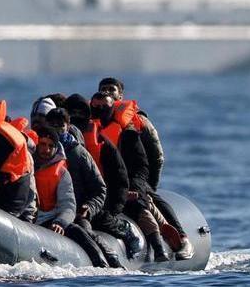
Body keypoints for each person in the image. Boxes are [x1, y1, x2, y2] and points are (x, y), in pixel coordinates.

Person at [98, 77, 193, 260]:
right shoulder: (96, 121)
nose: (108, 93)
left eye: (112, 89)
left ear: (121, 95)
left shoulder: (138, 121)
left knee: (151, 198)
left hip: (137, 175)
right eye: (104, 89)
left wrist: (149, 184)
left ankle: (182, 238)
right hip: (109, 177)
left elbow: (157, 155)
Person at [91, 92, 171, 262]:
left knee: (138, 206)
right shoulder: (88, 132)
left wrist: (134, 188)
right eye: (95, 106)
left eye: (104, 106)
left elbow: (142, 166)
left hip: (127, 185)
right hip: (98, 187)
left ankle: (158, 248)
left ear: (113, 107)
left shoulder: (128, 134)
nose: (99, 110)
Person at [46, 109, 124, 268]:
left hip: (76, 212)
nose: (56, 129)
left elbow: (100, 189)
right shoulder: (41, 151)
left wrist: (89, 207)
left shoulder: (78, 154)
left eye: (60, 125)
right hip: (46, 212)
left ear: (67, 127)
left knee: (84, 231)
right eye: (52, 125)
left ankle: (110, 259)